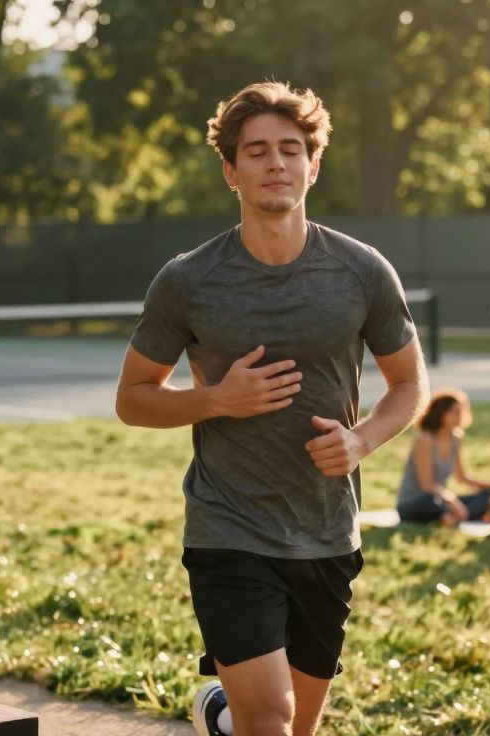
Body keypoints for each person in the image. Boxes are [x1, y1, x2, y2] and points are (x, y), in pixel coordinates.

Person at [114, 81, 428, 736]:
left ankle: (223, 718)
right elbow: (133, 399)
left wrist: (362, 441)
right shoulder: (189, 280)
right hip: (227, 527)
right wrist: (215, 399)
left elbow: (409, 384)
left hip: (326, 529)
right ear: (231, 170)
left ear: (313, 165)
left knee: (293, 729)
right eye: (256, 151)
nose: (275, 163)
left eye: (290, 149)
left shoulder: (362, 271)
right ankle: (241, 716)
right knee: (273, 719)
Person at [394, 389, 490, 526]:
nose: (460, 416)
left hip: (442, 499)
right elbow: (426, 484)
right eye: (455, 412)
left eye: (462, 412)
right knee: (432, 502)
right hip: (418, 502)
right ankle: (454, 516)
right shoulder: (425, 439)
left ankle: (451, 517)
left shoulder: (456, 437)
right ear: (440, 413)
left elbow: (462, 477)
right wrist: (452, 500)